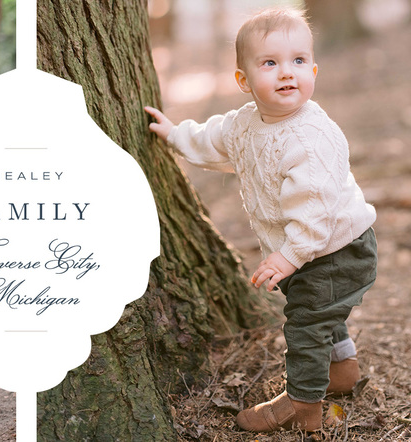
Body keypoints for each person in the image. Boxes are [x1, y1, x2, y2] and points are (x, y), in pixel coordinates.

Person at [144, 7, 377, 433]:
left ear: (314, 70)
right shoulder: (246, 122)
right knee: (319, 309)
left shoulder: (311, 138)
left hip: (338, 248)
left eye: (298, 61)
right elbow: (213, 137)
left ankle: (303, 409)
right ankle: (343, 369)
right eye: (270, 63)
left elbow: (317, 209)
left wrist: (289, 257)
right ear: (243, 81)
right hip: (309, 249)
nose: (287, 73)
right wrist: (175, 133)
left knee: (306, 324)